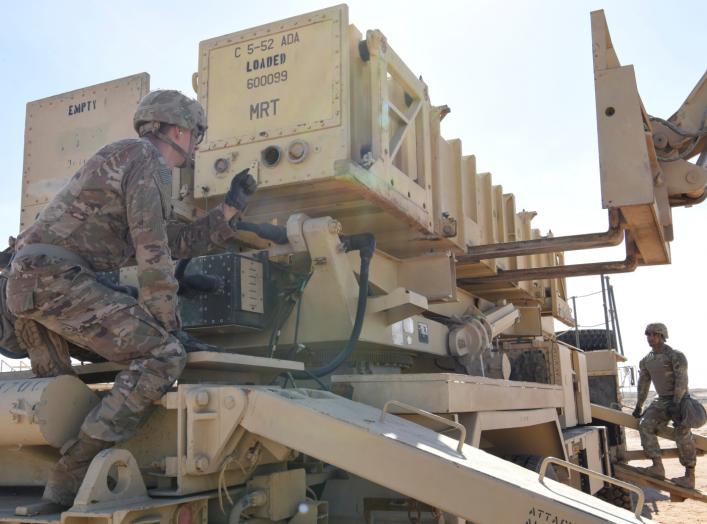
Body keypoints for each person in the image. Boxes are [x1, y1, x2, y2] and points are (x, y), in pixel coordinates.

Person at [6, 90, 257, 515]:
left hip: (28, 286)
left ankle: (57, 492)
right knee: (161, 355)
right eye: (196, 135)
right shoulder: (147, 161)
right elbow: (153, 251)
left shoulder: (125, 158)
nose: (196, 146)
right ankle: (72, 472)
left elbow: (175, 238)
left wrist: (229, 210)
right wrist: (167, 328)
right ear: (179, 130)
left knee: (61, 398)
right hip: (54, 280)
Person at [632, 322, 696, 489]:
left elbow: (682, 380)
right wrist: (639, 405)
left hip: (680, 399)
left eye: (653, 334)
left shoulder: (675, 355)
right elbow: (643, 384)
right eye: (647, 334)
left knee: (682, 432)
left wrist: (677, 403)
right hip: (661, 400)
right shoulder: (646, 360)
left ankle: (689, 476)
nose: (649, 338)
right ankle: (657, 467)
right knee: (644, 425)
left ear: (661, 336)